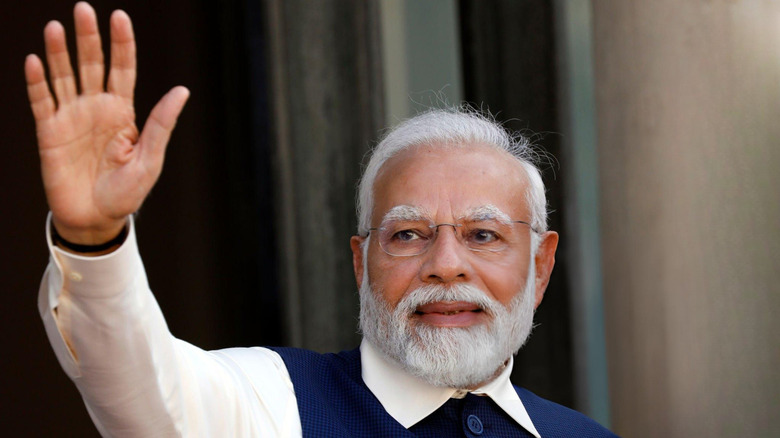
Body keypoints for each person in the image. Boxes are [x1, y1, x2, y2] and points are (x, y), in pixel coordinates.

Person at [27, 3, 617, 437]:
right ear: (361, 262)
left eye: (482, 235)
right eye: (408, 234)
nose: (444, 266)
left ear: (540, 266)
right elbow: (139, 389)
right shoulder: (270, 403)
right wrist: (91, 240)